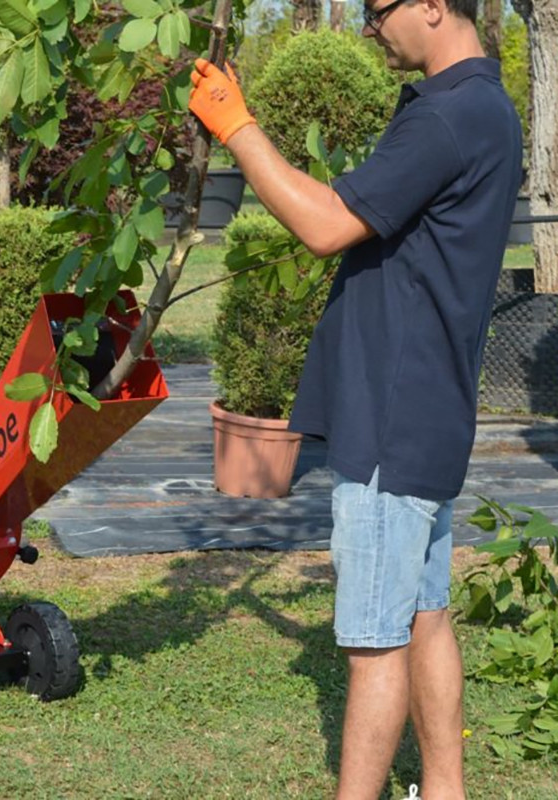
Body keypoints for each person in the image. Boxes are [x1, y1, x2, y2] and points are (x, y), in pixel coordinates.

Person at [189, 2, 522, 799]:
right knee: (424, 614)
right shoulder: (486, 107)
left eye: (377, 10)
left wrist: (237, 126)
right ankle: (445, 791)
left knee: (375, 643)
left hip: (389, 414)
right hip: (433, 408)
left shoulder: (448, 118)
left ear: (434, 5)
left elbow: (326, 223)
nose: (368, 26)